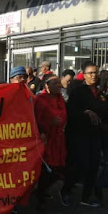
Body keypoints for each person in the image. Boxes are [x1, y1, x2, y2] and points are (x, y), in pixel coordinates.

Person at [60, 62, 108, 208]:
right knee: (80, 165)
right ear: (84, 75)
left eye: (96, 72)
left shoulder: (100, 93)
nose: (94, 75)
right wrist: (85, 112)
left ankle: (86, 197)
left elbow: (103, 109)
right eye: (90, 73)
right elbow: (71, 111)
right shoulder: (78, 91)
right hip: (78, 134)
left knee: (94, 165)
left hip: (94, 134)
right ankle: (65, 190)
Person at [34, 75, 67, 206]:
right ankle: (40, 195)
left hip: (59, 139)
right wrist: (49, 124)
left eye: (59, 83)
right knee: (46, 169)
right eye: (55, 83)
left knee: (59, 169)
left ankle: (43, 191)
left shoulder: (61, 100)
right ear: (47, 86)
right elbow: (35, 120)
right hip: (46, 139)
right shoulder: (40, 100)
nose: (59, 86)